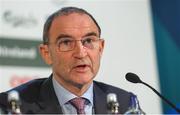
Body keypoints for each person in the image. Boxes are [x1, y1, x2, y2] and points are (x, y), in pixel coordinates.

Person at [0, 6, 142, 114]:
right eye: (66, 42)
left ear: (101, 47)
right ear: (46, 53)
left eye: (88, 40)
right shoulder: (12, 105)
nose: (80, 53)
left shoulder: (125, 103)